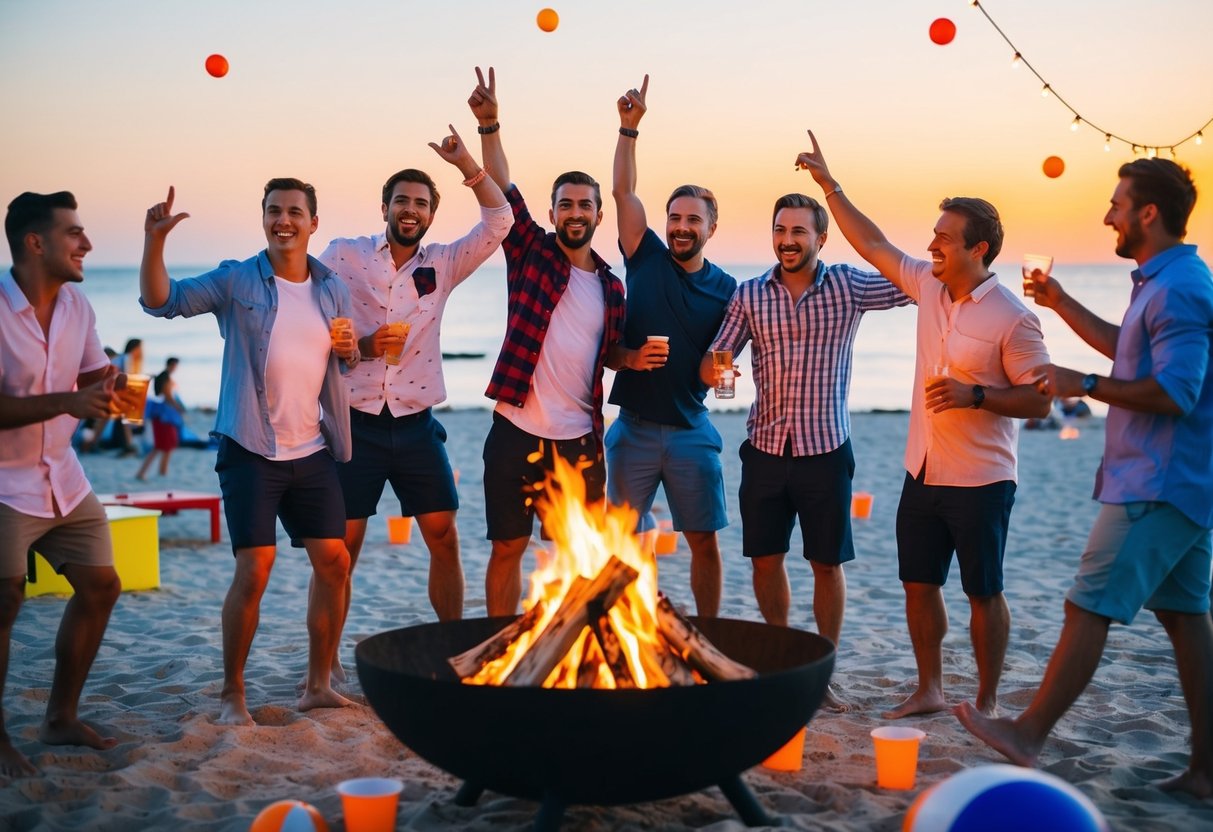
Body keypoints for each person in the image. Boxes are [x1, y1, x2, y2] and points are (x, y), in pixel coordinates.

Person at [957, 158, 1213, 797]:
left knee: (1087, 603)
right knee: (1185, 617)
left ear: (1148, 213)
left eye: (1117, 205)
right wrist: (1062, 302)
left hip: (1158, 481)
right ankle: (1208, 771)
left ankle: (1028, 733)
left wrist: (1086, 385)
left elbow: (1177, 393)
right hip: (1178, 479)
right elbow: (1132, 348)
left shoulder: (1181, 287)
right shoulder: (1164, 279)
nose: (1107, 216)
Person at [796, 130, 1051, 719]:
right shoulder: (928, 286)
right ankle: (930, 688)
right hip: (922, 470)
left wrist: (976, 395)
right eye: (933, 235)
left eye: (944, 238)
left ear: (978, 249)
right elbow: (873, 243)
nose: (932, 245)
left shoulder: (1014, 318)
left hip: (982, 479)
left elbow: (1041, 402)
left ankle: (986, 700)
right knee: (918, 584)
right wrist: (830, 186)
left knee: (983, 591)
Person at [140, 180, 358, 725]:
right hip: (250, 447)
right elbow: (163, 302)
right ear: (263, 218)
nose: (284, 220)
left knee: (335, 562)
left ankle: (317, 684)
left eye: (295, 212)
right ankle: (232, 695)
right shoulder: (237, 279)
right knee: (255, 568)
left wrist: (350, 350)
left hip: (312, 447)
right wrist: (155, 242)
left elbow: (340, 359)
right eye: (274, 211)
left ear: (313, 222)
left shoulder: (332, 288)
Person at [700, 192, 912, 706]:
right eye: (780, 230)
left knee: (826, 564)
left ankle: (821, 671)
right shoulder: (751, 294)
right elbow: (716, 357)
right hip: (765, 449)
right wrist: (717, 371)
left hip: (826, 451)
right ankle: (784, 657)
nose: (787, 240)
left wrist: (946, 261)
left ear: (822, 238)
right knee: (765, 561)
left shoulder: (847, 285)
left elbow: (911, 283)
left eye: (798, 231)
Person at [318, 120, 509, 647]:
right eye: (401, 201)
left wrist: (466, 163)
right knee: (343, 550)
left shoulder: (444, 263)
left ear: (431, 215)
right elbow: (304, 309)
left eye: (421, 204)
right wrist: (357, 344)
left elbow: (500, 220)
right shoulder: (344, 254)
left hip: (416, 424)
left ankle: (452, 649)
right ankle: (327, 663)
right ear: (385, 208)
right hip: (354, 423)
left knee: (443, 536)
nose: (410, 210)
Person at [472, 66, 627, 616]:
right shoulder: (530, 251)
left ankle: (572, 645)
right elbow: (501, 191)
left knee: (579, 555)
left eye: (585, 205)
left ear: (598, 214)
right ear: (554, 211)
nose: (575, 213)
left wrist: (636, 357)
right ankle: (500, 645)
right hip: (515, 430)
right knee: (507, 548)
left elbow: (607, 355)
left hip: (579, 440)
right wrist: (490, 126)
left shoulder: (611, 286)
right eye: (566, 204)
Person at [1, 191, 124, 778]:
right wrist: (70, 401)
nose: (87, 244)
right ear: (35, 243)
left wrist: (116, 386)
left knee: (101, 587)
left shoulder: (77, 305)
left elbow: (95, 374)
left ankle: (60, 718)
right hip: (3, 485)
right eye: (74, 233)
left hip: (64, 478)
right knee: (6, 602)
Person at [605, 75, 737, 617]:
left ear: (711, 227)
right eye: (675, 218)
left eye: (692, 220)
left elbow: (726, 358)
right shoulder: (645, 255)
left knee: (703, 540)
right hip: (632, 429)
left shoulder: (729, 289)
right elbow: (623, 192)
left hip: (691, 430)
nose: (681, 227)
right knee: (625, 541)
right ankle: (637, 627)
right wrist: (628, 129)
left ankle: (708, 629)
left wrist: (723, 375)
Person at [136, 357, 186, 481]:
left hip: (161, 415)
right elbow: (167, 396)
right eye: (174, 365)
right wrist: (179, 408)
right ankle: (157, 471)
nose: (175, 368)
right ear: (171, 365)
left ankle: (160, 471)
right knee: (164, 445)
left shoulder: (162, 376)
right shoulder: (165, 377)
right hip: (163, 416)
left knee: (165, 445)